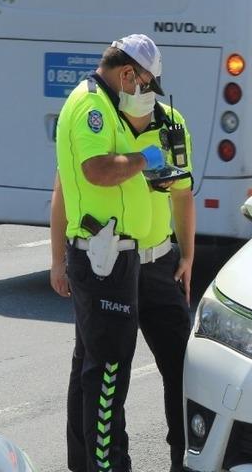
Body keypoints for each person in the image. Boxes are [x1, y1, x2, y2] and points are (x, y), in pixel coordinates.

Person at [53, 34, 184, 472]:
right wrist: (144, 158)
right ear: (127, 73)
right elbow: (97, 172)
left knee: (91, 366)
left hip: (112, 255)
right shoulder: (93, 106)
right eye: (145, 83)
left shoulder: (107, 103)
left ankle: (86, 463)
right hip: (102, 256)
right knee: (108, 375)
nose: (145, 93)